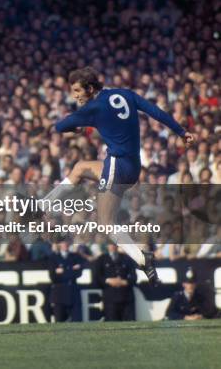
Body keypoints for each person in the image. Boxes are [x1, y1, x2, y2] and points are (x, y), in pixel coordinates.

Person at [45, 67, 196, 285]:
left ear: (89, 88)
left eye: (77, 90)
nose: (75, 95)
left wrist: (78, 128)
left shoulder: (93, 107)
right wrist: (182, 132)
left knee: (105, 222)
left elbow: (60, 126)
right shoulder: (125, 94)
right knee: (80, 168)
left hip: (117, 166)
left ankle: (142, 258)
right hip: (133, 167)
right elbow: (156, 112)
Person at [93, 243, 136, 321]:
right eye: (110, 244)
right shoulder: (101, 259)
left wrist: (124, 282)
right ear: (107, 245)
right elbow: (97, 277)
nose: (112, 246)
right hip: (110, 298)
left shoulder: (126, 258)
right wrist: (108, 280)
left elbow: (134, 277)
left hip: (125, 297)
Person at [48, 238, 85, 322]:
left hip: (73, 292)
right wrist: (71, 268)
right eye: (62, 242)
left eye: (66, 242)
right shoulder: (53, 258)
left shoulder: (75, 256)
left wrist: (63, 270)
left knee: (77, 320)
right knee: (59, 320)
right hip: (59, 293)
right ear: (59, 244)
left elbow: (79, 273)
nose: (65, 244)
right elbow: (53, 277)